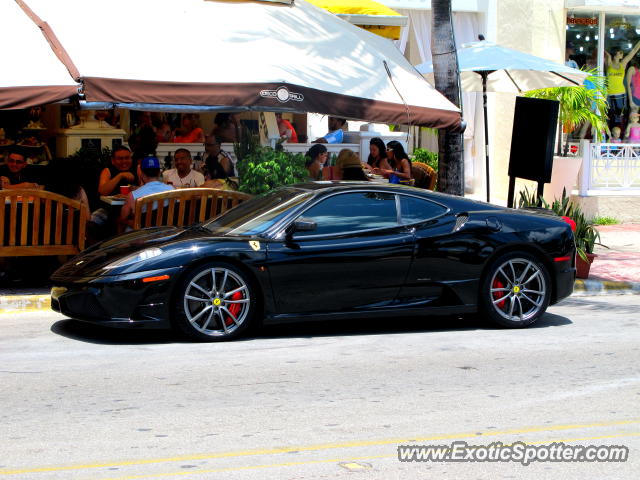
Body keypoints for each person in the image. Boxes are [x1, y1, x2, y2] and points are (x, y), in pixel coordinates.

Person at [118, 156, 175, 232]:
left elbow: (123, 218)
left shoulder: (134, 195)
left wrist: (127, 221)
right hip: (167, 234)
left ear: (142, 174)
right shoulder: (172, 189)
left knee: (120, 221)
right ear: (159, 173)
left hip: (143, 238)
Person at [604, 41, 640, 129]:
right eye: (620, 52)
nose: (622, 54)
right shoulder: (609, 63)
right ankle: (609, 137)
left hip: (621, 94)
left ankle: (618, 137)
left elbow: (634, 51)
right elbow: (605, 53)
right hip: (609, 94)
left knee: (619, 117)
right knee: (608, 116)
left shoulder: (623, 64)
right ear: (615, 53)